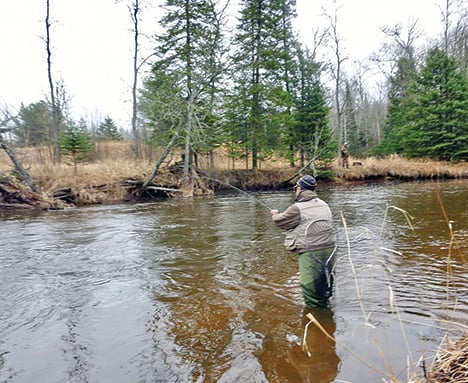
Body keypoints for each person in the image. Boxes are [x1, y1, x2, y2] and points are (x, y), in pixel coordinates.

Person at [270, 175, 336, 308]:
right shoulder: (324, 204)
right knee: (326, 286)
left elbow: (281, 222)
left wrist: (275, 214)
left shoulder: (297, 208)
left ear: (300, 189)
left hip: (310, 253)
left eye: (296, 188)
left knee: (311, 293)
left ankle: (318, 322)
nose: (295, 191)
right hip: (330, 250)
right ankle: (328, 317)